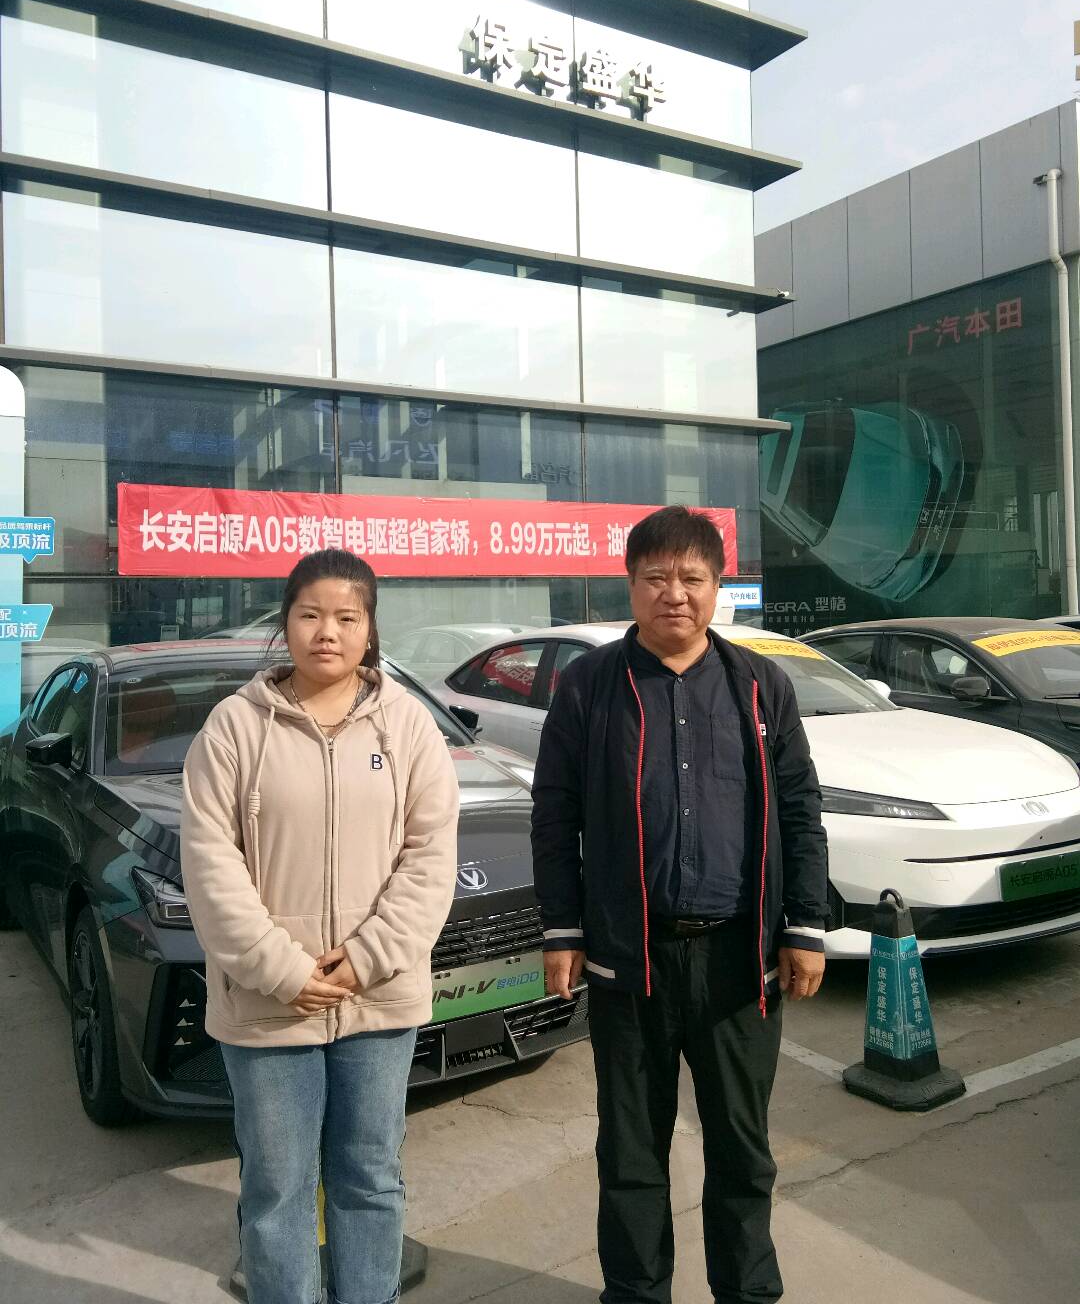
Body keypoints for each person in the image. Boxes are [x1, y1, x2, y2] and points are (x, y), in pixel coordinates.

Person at [531, 506, 828, 1304]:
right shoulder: (590, 687)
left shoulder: (759, 685)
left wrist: (804, 925)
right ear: (630, 585)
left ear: (717, 586)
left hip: (739, 961)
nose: (675, 594)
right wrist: (562, 928)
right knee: (630, 1153)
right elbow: (554, 813)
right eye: (656, 578)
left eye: (692, 578)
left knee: (742, 1151)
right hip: (632, 960)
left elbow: (800, 808)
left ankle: (748, 1293)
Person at [181, 549, 459, 1304]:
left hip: (378, 1001)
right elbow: (209, 862)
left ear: (370, 628)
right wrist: (281, 968)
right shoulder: (234, 727)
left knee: (370, 1177)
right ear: (286, 623)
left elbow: (431, 854)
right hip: (268, 1005)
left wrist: (368, 957)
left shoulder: (407, 726)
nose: (326, 632)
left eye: (346, 616)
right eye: (309, 614)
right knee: (277, 1187)